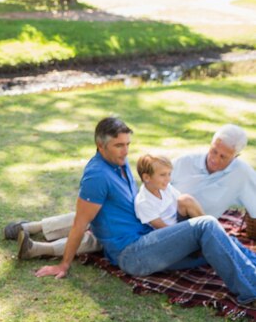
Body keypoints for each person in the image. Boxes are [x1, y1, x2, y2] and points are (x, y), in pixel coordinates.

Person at [33, 117, 256, 308]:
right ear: (101, 146)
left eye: (127, 144)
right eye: (119, 145)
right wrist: (63, 264)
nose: (126, 150)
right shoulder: (97, 176)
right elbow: (80, 224)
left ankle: (252, 269)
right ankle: (250, 289)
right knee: (205, 224)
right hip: (132, 254)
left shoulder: (119, 164)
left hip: (149, 241)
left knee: (214, 237)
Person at [172, 124, 256, 218]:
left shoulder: (242, 173)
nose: (215, 160)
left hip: (198, 228)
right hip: (164, 221)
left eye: (223, 157)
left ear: (235, 157)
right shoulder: (185, 161)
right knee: (186, 201)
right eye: (214, 151)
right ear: (210, 145)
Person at [134, 154, 204, 229]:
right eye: (163, 175)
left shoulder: (165, 187)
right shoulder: (143, 202)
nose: (168, 179)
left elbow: (181, 203)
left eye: (169, 174)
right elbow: (163, 229)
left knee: (186, 199)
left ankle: (209, 225)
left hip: (177, 222)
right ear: (146, 177)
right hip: (166, 233)